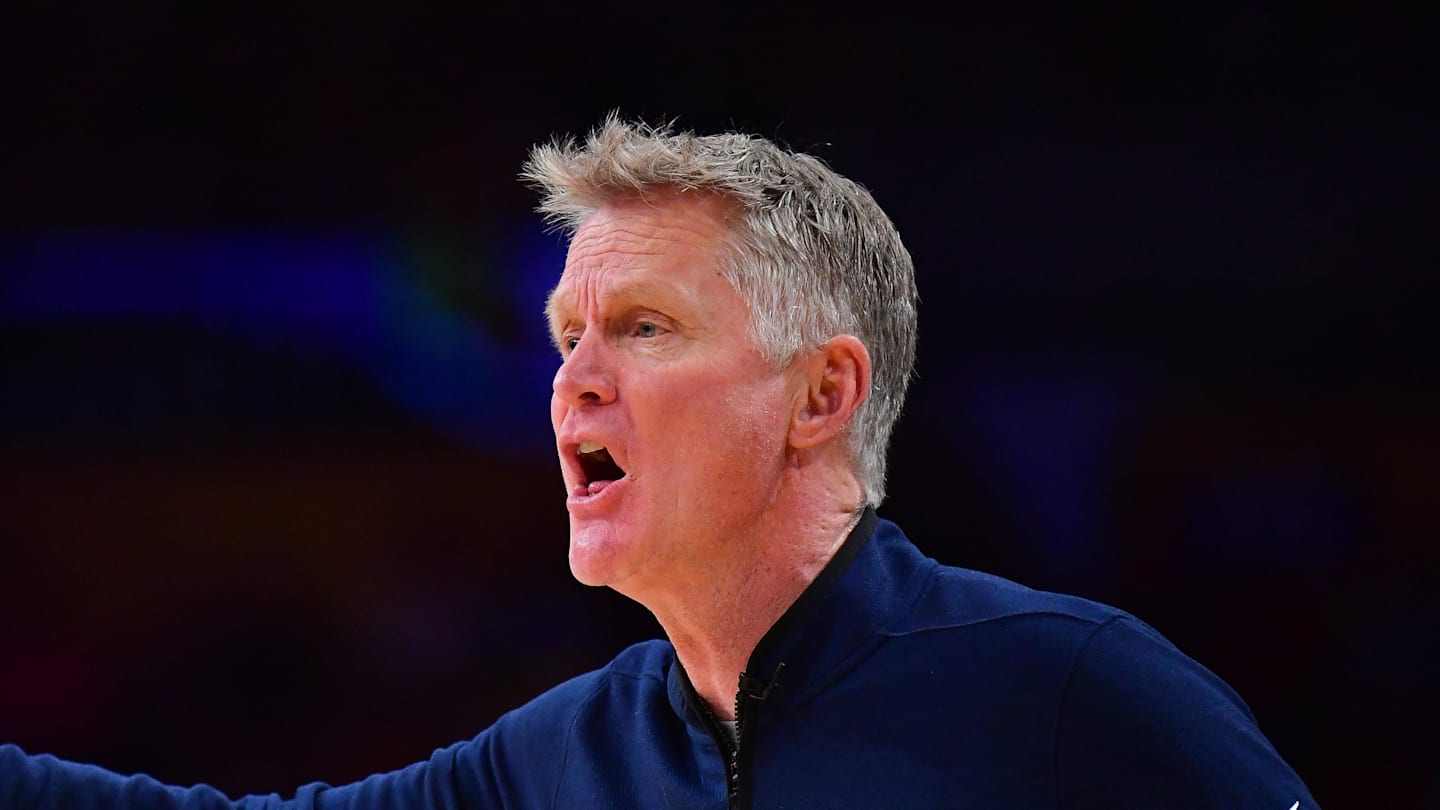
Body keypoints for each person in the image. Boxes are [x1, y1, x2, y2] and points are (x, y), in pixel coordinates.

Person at [2, 113, 1320, 809]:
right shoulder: (567, 754)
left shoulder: (1070, 690)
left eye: (641, 327)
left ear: (821, 392)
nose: (572, 375)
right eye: (566, 334)